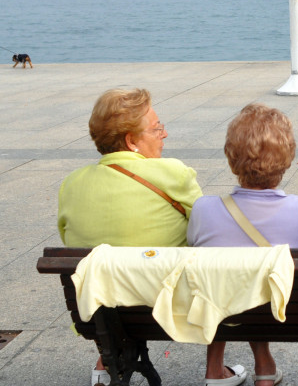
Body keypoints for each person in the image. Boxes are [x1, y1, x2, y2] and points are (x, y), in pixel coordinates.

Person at [57, 88, 203, 386]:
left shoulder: (71, 184)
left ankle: (107, 355)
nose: (164, 134)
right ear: (131, 141)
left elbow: (71, 241)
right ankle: (216, 369)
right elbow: (206, 231)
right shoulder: (173, 173)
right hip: (167, 308)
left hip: (100, 314)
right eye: (156, 128)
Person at [188, 104, 298, 386]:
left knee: (245, 280)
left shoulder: (204, 210)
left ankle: (264, 365)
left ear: (231, 156)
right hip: (295, 313)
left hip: (236, 315)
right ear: (287, 154)